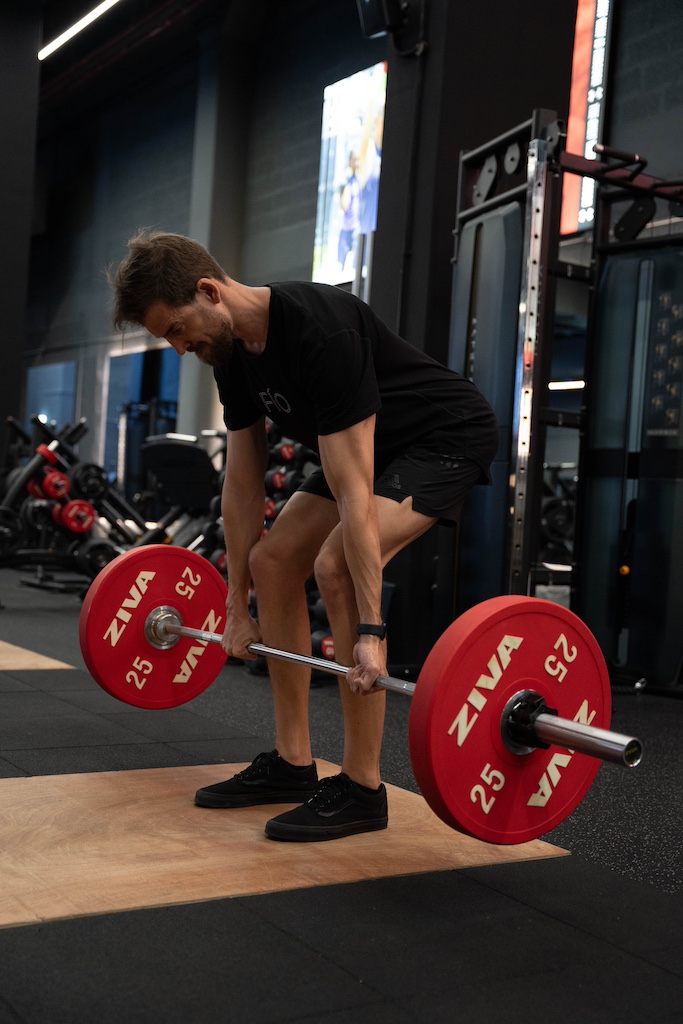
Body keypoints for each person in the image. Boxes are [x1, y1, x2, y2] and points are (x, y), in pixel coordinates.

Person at [110, 231, 499, 843]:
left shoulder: (322, 328)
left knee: (335, 565)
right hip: (375, 445)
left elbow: (352, 487)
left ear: (209, 291)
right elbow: (241, 485)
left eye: (178, 329)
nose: (181, 347)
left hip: (441, 437)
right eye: (170, 340)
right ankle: (293, 764)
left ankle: (364, 788)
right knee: (272, 560)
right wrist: (237, 605)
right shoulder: (231, 352)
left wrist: (370, 633)